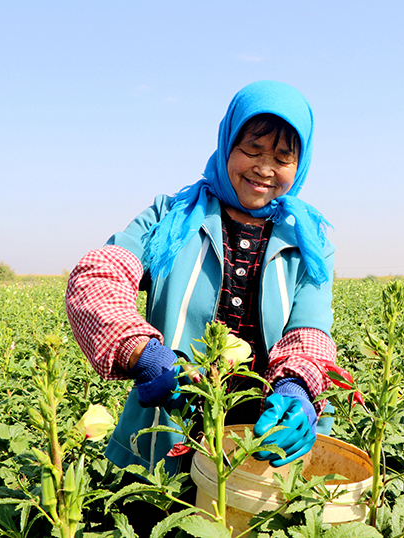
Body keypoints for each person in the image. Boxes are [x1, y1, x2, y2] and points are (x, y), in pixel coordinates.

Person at [64, 81, 337, 522]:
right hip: (167, 432)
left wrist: (298, 388)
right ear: (228, 143)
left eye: (282, 156)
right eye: (253, 148)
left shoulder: (308, 240)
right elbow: (98, 277)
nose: (265, 167)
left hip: (261, 440)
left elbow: (310, 330)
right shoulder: (169, 216)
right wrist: (141, 350)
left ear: (299, 164)